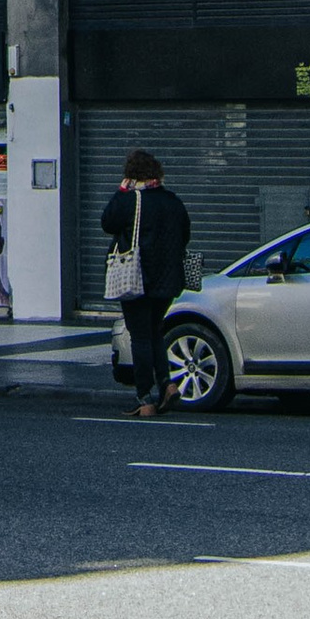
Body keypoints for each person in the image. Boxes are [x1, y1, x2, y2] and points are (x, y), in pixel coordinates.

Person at [102, 146, 193, 416]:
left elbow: (107, 222)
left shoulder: (131, 200)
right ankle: (167, 384)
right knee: (155, 332)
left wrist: (122, 191)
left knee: (140, 336)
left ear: (131, 175)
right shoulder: (173, 201)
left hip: (137, 278)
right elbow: (184, 235)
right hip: (168, 281)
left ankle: (145, 398)